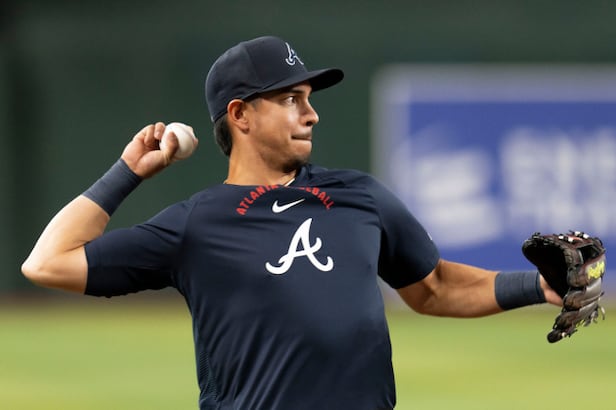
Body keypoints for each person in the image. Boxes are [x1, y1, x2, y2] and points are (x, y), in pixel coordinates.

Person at [22, 36, 561, 410]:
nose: (311, 113)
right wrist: (128, 172)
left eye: (307, 99)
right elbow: (48, 263)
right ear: (240, 115)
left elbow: (434, 287)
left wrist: (538, 285)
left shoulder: (359, 196)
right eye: (290, 99)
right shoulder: (197, 224)